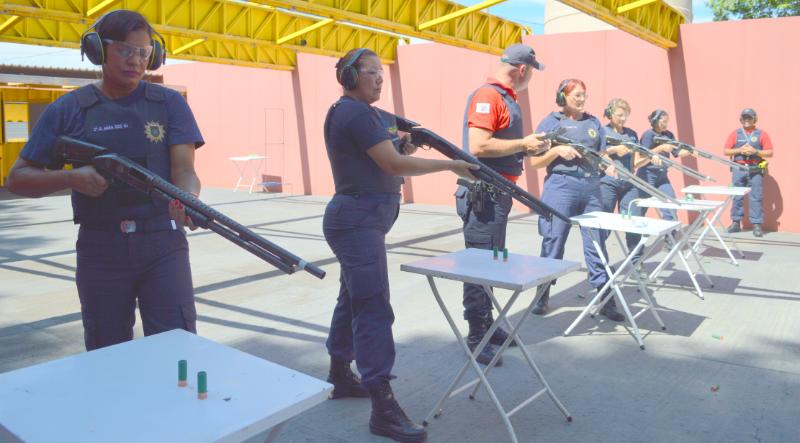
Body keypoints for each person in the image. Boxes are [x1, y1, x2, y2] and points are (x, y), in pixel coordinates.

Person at [6, 9, 204, 351]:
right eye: (125, 49)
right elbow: (17, 179)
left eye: (143, 52)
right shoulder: (68, 109)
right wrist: (72, 178)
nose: (136, 60)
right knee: (107, 350)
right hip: (101, 248)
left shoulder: (169, 103)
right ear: (98, 49)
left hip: (163, 243)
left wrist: (188, 199)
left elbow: (185, 171)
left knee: (176, 347)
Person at [322, 47, 477, 442]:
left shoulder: (365, 114)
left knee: (353, 298)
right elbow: (392, 165)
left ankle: (340, 373)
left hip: (363, 218)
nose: (379, 79)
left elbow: (387, 157)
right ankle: (383, 406)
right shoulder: (355, 112)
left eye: (381, 72)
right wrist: (450, 164)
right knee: (374, 306)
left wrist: (406, 144)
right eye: (370, 72)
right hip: (357, 220)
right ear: (349, 76)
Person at [455, 43, 550, 365]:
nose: (530, 78)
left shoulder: (506, 98)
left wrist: (527, 148)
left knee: (493, 261)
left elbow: (501, 145)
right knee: (479, 264)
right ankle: (476, 335)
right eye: (532, 73)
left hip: (497, 195)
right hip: (483, 196)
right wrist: (523, 143)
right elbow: (478, 145)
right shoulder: (489, 96)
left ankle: (488, 323)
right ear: (523, 69)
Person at [528, 79, 624, 322]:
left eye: (584, 95)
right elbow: (535, 162)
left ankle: (604, 297)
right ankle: (542, 295)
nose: (581, 100)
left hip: (591, 188)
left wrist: (609, 166)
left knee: (597, 243)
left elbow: (602, 155)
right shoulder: (551, 122)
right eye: (577, 95)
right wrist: (555, 151)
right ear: (563, 96)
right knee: (554, 241)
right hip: (561, 186)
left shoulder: (593, 123)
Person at [600, 98, 645, 253]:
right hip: (608, 183)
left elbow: (636, 162)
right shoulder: (602, 132)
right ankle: (599, 261)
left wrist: (652, 156)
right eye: (620, 115)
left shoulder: (632, 134)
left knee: (634, 222)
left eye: (626, 115)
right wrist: (615, 150)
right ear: (610, 114)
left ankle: (636, 259)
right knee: (604, 223)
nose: (623, 118)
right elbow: (595, 153)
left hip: (629, 184)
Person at [723, 108, 773, 237]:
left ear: (754, 119)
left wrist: (755, 152)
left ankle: (756, 225)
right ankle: (735, 223)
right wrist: (739, 150)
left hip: (755, 169)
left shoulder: (762, 134)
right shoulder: (735, 134)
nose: (747, 120)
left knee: (756, 196)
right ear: (741, 120)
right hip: (738, 169)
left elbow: (770, 152)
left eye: (749, 117)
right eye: (744, 118)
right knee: (736, 196)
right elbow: (726, 151)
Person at [634, 109, 690, 222]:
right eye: (663, 122)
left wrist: (690, 151)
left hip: (662, 176)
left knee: (670, 203)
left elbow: (677, 152)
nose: (666, 124)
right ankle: (635, 230)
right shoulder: (648, 135)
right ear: (655, 121)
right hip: (647, 174)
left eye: (667, 122)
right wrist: (660, 149)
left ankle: (670, 231)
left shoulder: (669, 135)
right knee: (640, 207)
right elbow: (642, 155)